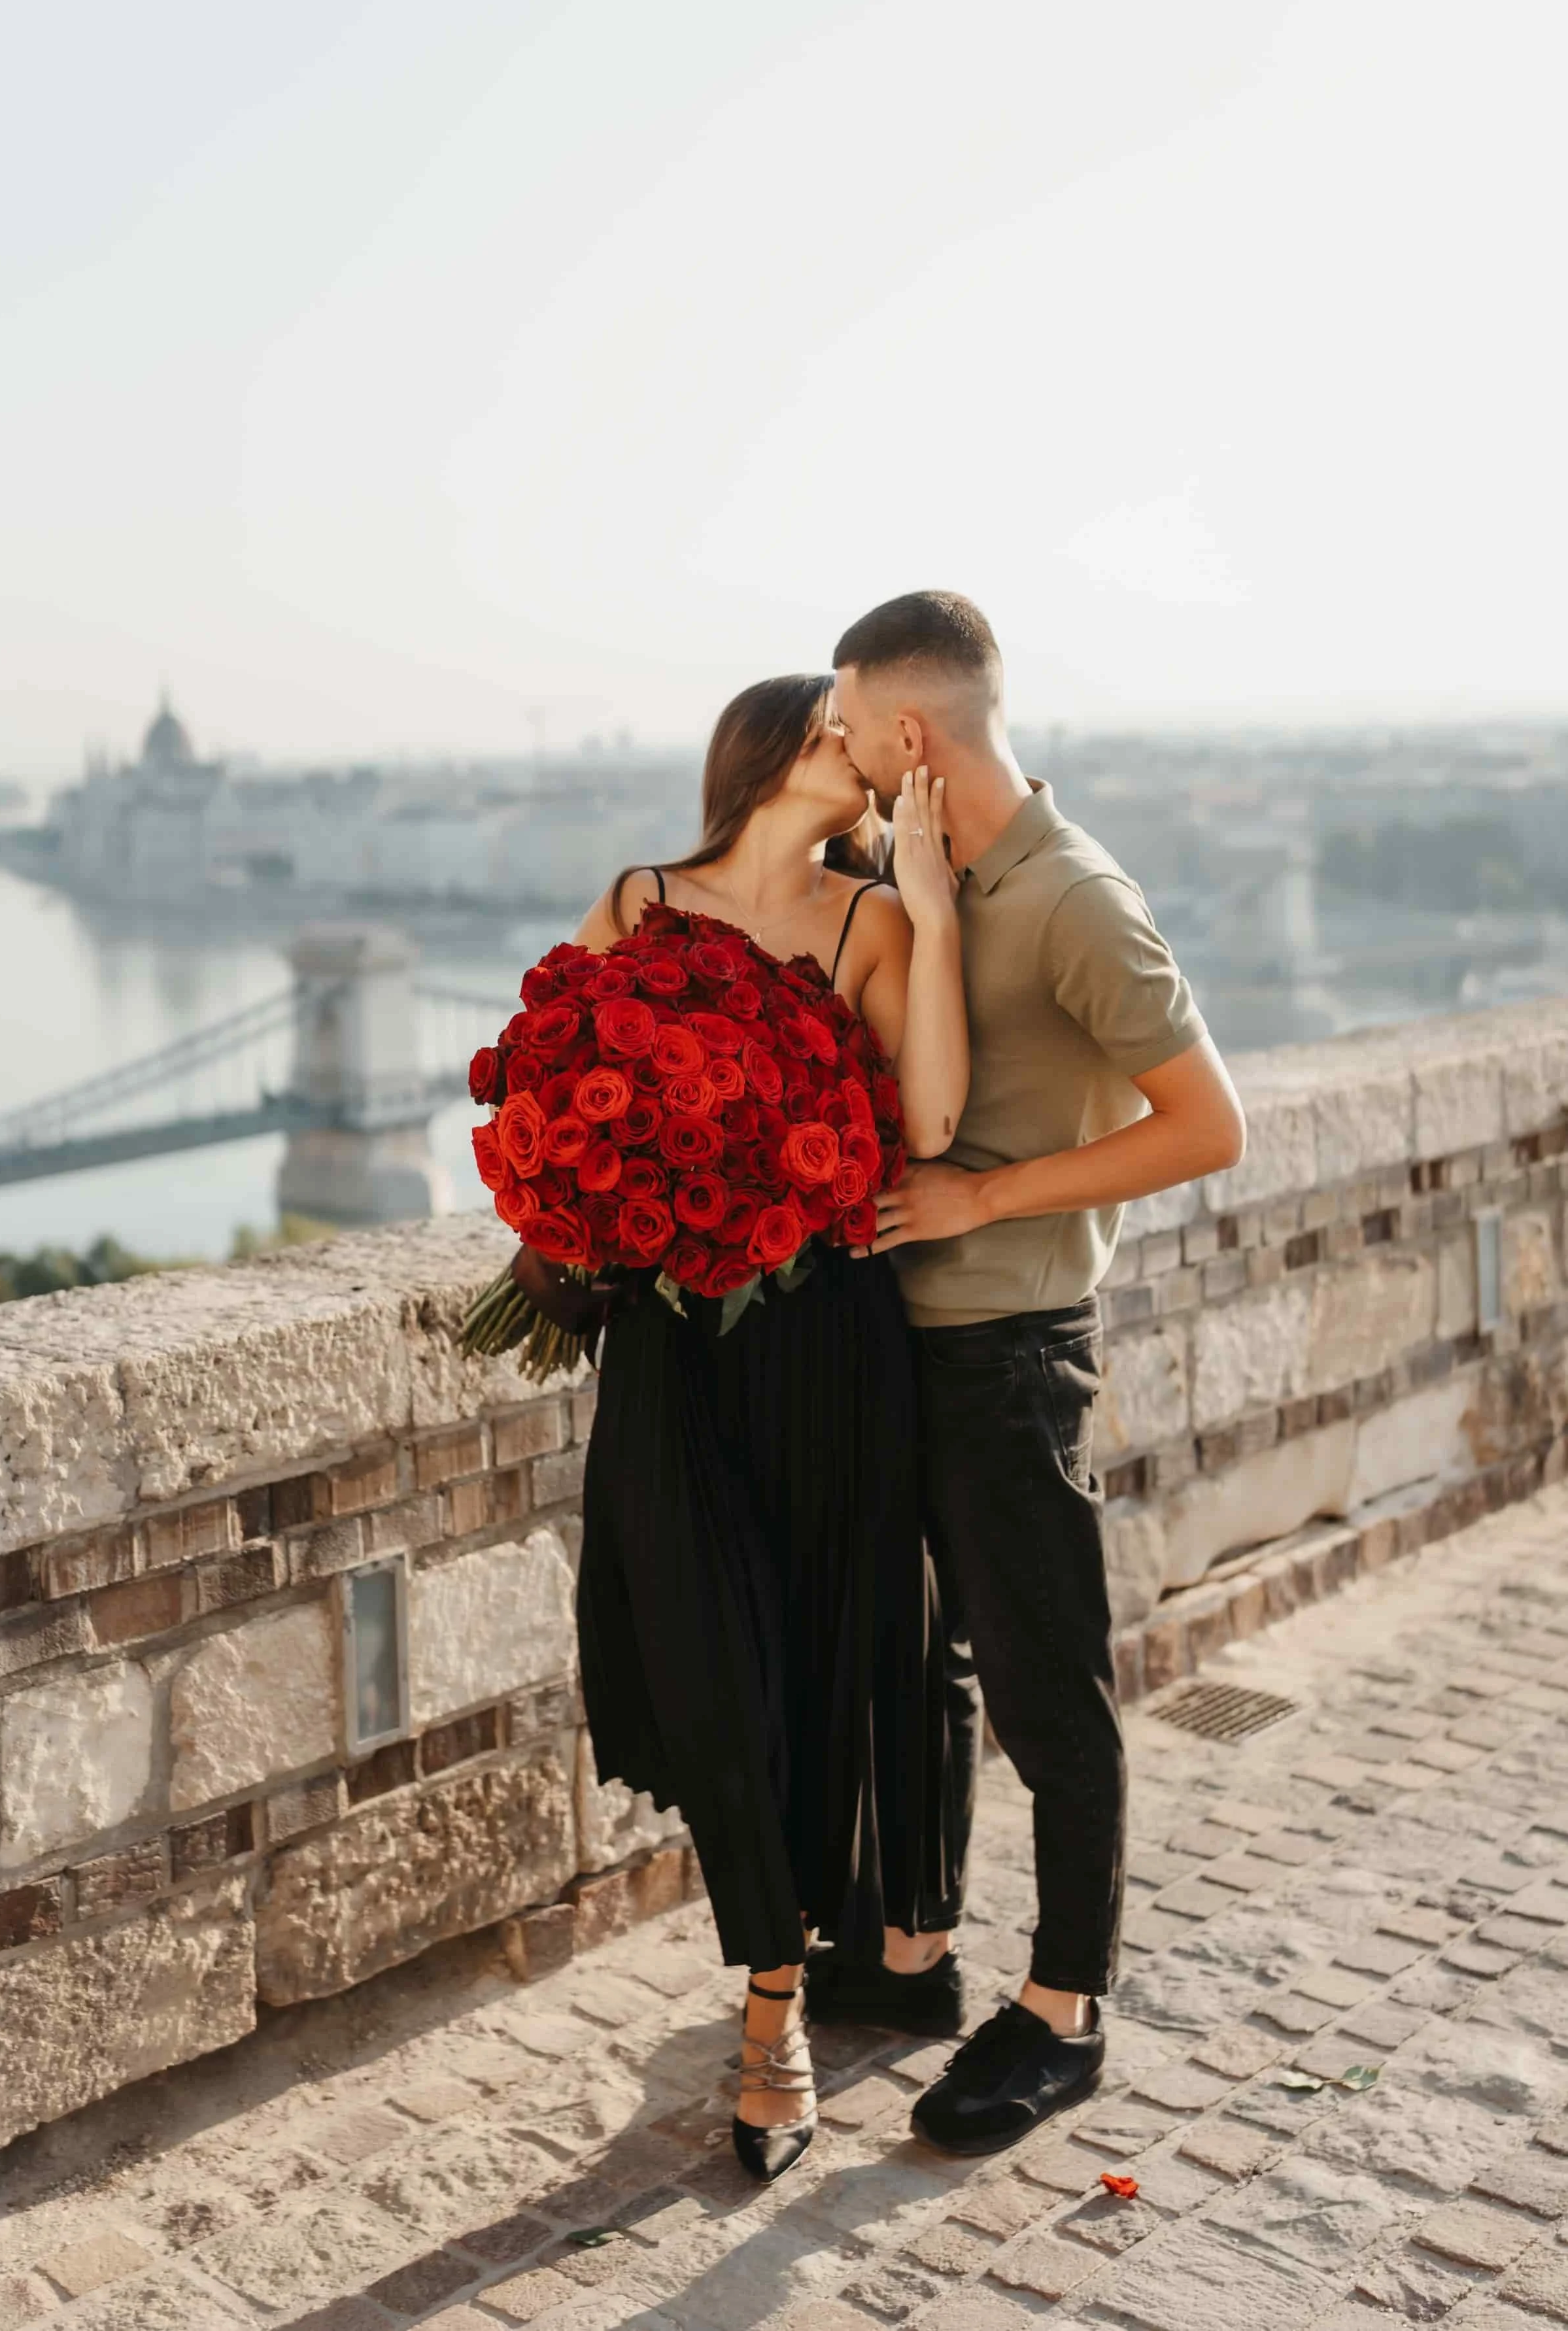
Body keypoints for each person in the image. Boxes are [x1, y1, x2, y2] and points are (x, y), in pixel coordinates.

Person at [830, 592, 1247, 2156]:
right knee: (924, 1670)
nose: (850, 756)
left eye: (857, 729)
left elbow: (1210, 1126)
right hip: (908, 1344)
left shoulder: (1074, 899)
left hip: (1010, 1353)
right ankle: (913, 1959)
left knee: (1041, 1684)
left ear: (912, 733)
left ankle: (1066, 2013)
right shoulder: (927, 875)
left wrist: (981, 1198)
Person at [572, 674, 970, 2183]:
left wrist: (925, 911)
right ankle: (771, 1986)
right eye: (842, 735)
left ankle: (773, 2011)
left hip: (822, 1339)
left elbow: (925, 1125)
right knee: (704, 1656)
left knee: (805, 1664)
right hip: (672, 1346)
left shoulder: (869, 921)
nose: (868, 761)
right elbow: (565, 1075)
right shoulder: (638, 899)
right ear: (781, 749)